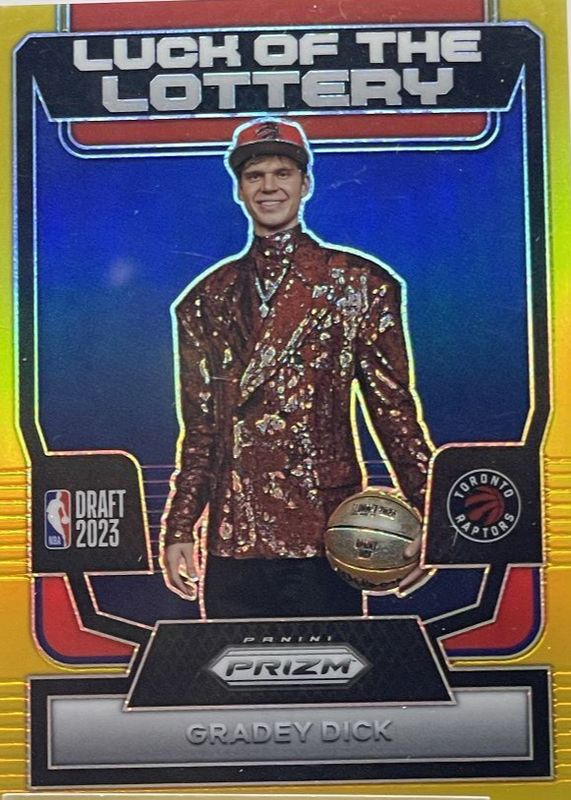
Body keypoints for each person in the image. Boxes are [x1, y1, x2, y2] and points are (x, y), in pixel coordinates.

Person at [162, 117, 433, 618]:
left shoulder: (359, 285)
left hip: (323, 529)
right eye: (255, 175)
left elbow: (393, 412)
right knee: (230, 664)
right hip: (234, 535)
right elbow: (201, 430)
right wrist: (180, 527)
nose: (269, 187)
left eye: (282, 173)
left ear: (305, 184)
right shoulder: (204, 300)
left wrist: (434, 522)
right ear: (239, 189)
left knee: (335, 663)